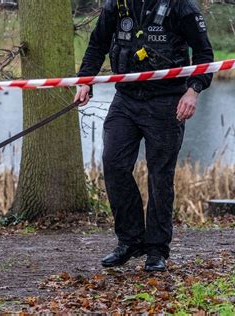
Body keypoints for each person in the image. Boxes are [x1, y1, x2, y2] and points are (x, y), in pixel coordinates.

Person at [75, 0, 214, 271]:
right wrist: (85, 80)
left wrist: (193, 90)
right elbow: (97, 44)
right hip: (126, 99)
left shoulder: (181, 6)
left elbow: (204, 55)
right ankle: (130, 240)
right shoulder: (117, 4)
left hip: (167, 100)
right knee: (114, 164)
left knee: (160, 176)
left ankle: (157, 249)